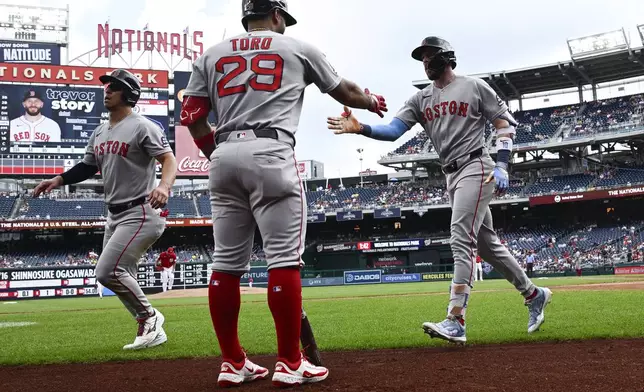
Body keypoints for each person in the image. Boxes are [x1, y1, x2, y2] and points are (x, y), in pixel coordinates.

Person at [179, 0, 387, 387]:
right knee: (284, 261)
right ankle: (291, 362)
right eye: (284, 20)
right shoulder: (297, 47)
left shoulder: (211, 53)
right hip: (271, 150)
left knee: (225, 264)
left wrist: (220, 155)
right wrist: (372, 102)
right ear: (276, 15)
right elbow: (345, 92)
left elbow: (191, 116)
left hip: (223, 154)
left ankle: (232, 362)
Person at [327, 36, 552, 345]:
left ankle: (456, 319)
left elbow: (504, 125)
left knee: (461, 236)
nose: (425, 61)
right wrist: (362, 128)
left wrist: (503, 164)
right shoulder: (420, 99)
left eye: (429, 55)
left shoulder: (473, 87)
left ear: (446, 57)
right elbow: (393, 130)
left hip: (477, 166)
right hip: (450, 174)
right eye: (422, 57)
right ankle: (534, 294)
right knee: (486, 245)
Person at [32, 69, 177, 350]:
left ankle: (150, 317)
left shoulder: (143, 126)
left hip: (141, 210)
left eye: (114, 87)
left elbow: (169, 160)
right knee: (122, 274)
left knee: (107, 271)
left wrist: (164, 186)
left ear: (129, 94)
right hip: (114, 213)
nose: (106, 90)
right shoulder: (100, 131)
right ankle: (147, 327)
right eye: (107, 86)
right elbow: (88, 166)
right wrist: (59, 179)